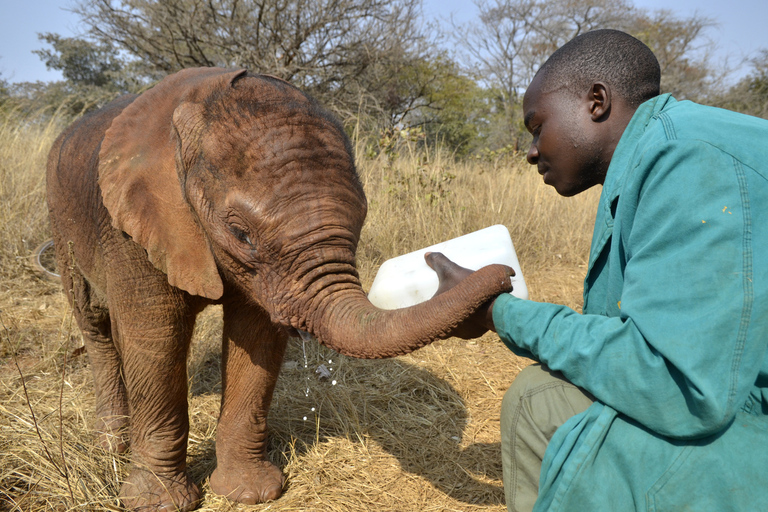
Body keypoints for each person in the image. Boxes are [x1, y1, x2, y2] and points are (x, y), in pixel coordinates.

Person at [426, 29, 768, 512]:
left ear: (596, 102)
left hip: (742, 414)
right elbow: (624, 335)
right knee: (542, 394)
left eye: (536, 126)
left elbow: (676, 385)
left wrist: (499, 313)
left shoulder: (690, 159)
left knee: (539, 406)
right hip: (735, 395)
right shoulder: (647, 163)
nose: (530, 151)